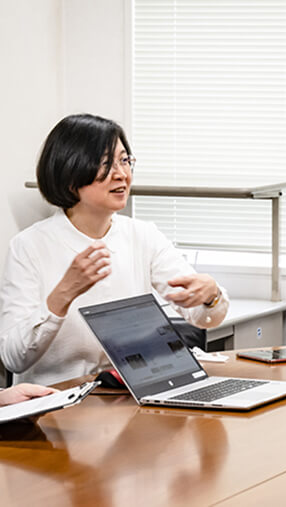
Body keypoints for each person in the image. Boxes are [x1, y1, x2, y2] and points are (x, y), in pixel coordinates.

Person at [0, 114, 229, 385]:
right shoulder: (28, 247)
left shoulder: (143, 235)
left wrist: (211, 295)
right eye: (106, 164)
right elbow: (13, 358)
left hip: (129, 394)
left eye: (124, 160)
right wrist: (64, 293)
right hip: (58, 399)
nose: (122, 174)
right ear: (70, 175)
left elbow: (203, 317)